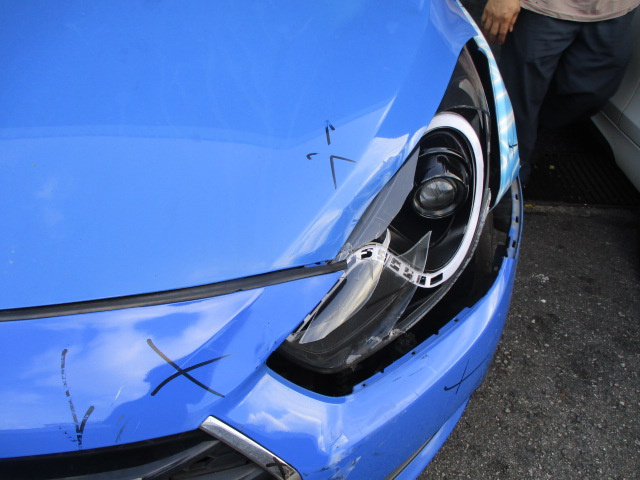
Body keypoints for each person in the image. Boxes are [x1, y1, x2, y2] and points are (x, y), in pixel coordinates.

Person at [480, 0, 639, 183]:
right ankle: (508, 179)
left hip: (615, 8)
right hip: (543, 8)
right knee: (521, 100)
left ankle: (527, 133)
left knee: (592, 93)